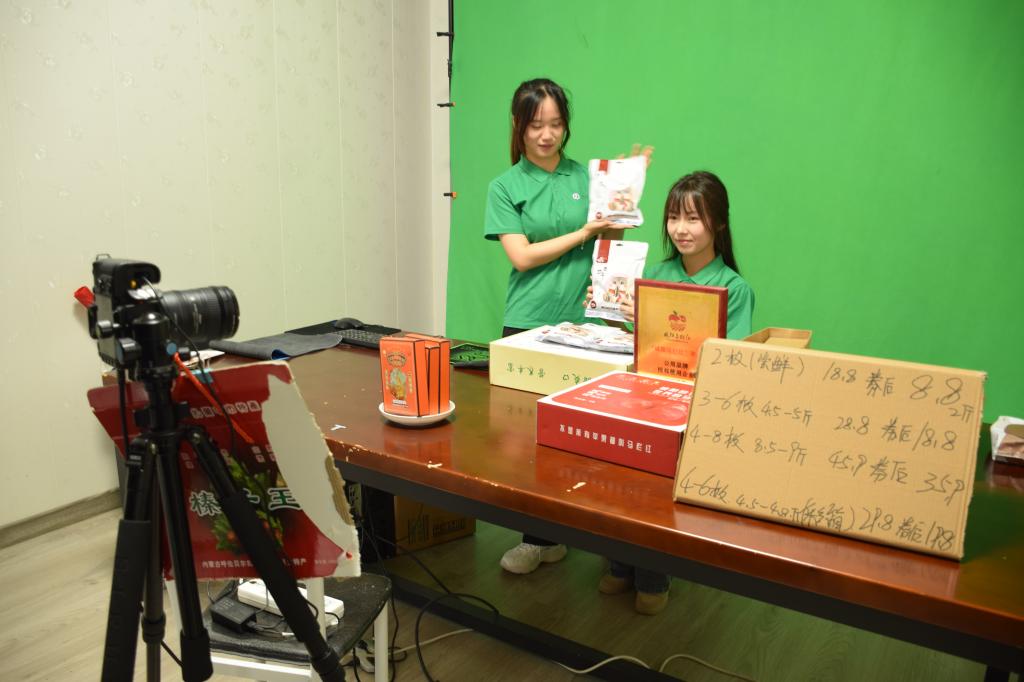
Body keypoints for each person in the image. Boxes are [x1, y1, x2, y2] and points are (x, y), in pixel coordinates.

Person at [483, 77, 650, 575]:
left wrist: (625, 189)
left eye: (556, 124)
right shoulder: (505, 186)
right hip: (528, 322)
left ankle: (593, 536)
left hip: (588, 322)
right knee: (526, 439)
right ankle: (538, 539)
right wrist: (584, 231)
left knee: (591, 436)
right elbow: (522, 256)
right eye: (536, 125)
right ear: (519, 126)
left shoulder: (588, 177)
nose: (546, 134)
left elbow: (611, 241)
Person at [595, 170, 754, 614]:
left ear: (718, 223)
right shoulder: (655, 273)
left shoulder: (734, 288)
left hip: (691, 407)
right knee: (624, 481)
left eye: (693, 219)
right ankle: (620, 562)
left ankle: (654, 574)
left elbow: (733, 358)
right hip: (643, 394)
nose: (681, 229)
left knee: (659, 494)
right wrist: (610, 306)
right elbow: (635, 337)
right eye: (673, 218)